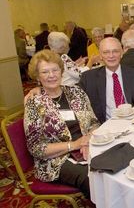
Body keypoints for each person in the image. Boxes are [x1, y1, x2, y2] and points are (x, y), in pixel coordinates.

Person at [24, 49, 100, 199]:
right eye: (45, 72)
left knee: (111, 165)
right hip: (55, 161)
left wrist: (87, 142)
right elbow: (36, 148)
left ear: (61, 71)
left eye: (55, 70)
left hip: (87, 146)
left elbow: (94, 123)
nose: (51, 75)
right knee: (91, 177)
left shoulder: (76, 92)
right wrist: (75, 145)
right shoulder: (34, 103)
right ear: (38, 76)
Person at [79, 37, 134, 123]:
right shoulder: (88, 78)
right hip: (104, 127)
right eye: (106, 52)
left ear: (122, 53)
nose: (111, 56)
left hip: (133, 122)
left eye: (115, 51)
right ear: (100, 55)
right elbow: (81, 106)